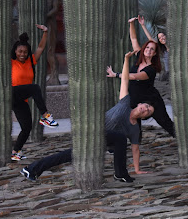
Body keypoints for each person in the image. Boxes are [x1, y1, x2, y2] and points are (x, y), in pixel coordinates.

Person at [20, 51, 154, 182]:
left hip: (102, 140)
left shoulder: (135, 128)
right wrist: (126, 59)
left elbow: (135, 149)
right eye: (147, 106)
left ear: (144, 117)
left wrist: (137, 170)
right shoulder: (125, 102)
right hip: (91, 129)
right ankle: (120, 173)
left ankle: (32, 169)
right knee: (115, 140)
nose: (146, 110)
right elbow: (125, 80)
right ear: (140, 104)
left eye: (148, 112)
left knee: (71, 155)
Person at [107, 16, 175, 137]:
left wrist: (115, 74)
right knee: (134, 128)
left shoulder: (151, 70)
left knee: (166, 123)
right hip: (134, 99)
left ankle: (186, 141)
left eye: (151, 49)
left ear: (154, 53)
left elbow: (133, 76)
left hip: (151, 100)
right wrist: (132, 24)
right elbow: (133, 38)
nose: (148, 50)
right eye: (147, 47)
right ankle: (122, 147)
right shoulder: (139, 57)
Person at [11, 26, 59, 161]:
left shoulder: (31, 60)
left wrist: (46, 32)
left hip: (21, 99)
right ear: (15, 51)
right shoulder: (11, 62)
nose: (22, 54)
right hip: (12, 93)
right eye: (20, 51)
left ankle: (15, 152)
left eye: (25, 52)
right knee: (35, 88)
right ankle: (45, 116)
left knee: (27, 126)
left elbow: (41, 48)